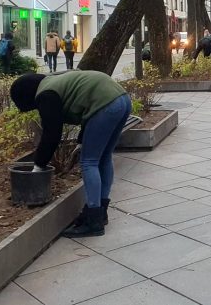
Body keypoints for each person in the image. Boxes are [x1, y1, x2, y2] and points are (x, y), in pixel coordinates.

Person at [10, 71, 131, 238]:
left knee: (89, 162)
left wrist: (38, 165)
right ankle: (101, 212)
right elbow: (85, 107)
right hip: (122, 99)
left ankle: (93, 219)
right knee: (104, 157)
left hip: (106, 104)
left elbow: (51, 134)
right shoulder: (54, 81)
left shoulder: (45, 95)